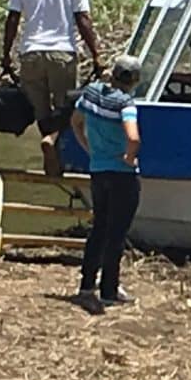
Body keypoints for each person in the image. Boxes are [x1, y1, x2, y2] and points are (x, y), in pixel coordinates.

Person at [1, 0, 101, 173]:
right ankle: (53, 143)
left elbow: (12, 19)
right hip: (61, 53)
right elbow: (83, 19)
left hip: (31, 54)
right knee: (67, 110)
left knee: (42, 112)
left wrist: (6, 54)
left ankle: (52, 159)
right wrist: (96, 54)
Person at [73, 56, 142, 314]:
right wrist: (129, 157)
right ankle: (110, 290)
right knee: (117, 233)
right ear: (134, 81)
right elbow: (133, 138)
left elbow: (75, 122)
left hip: (98, 170)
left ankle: (86, 285)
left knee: (99, 228)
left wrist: (89, 149)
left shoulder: (91, 94)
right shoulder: (126, 104)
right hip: (122, 174)